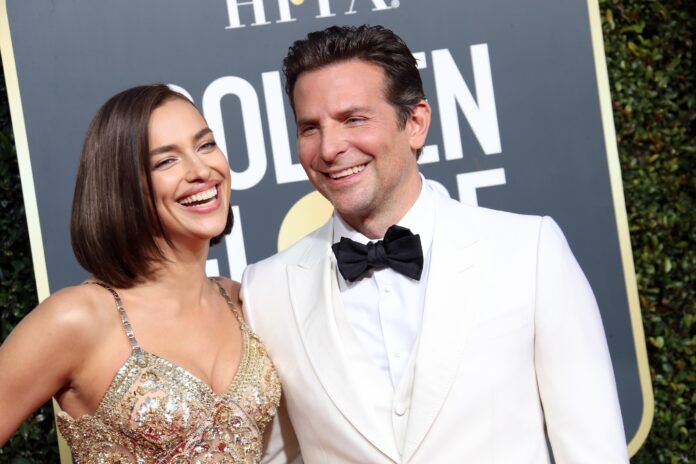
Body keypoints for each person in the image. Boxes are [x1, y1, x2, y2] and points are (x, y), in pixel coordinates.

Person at [241, 25, 629, 463]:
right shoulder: (265, 289)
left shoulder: (529, 251)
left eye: (353, 119)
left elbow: (596, 452)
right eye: (310, 128)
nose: (329, 148)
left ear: (416, 123)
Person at [0, 84, 281, 462]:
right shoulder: (78, 318)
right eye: (166, 161)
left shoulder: (240, 301)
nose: (201, 170)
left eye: (206, 145)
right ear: (122, 186)